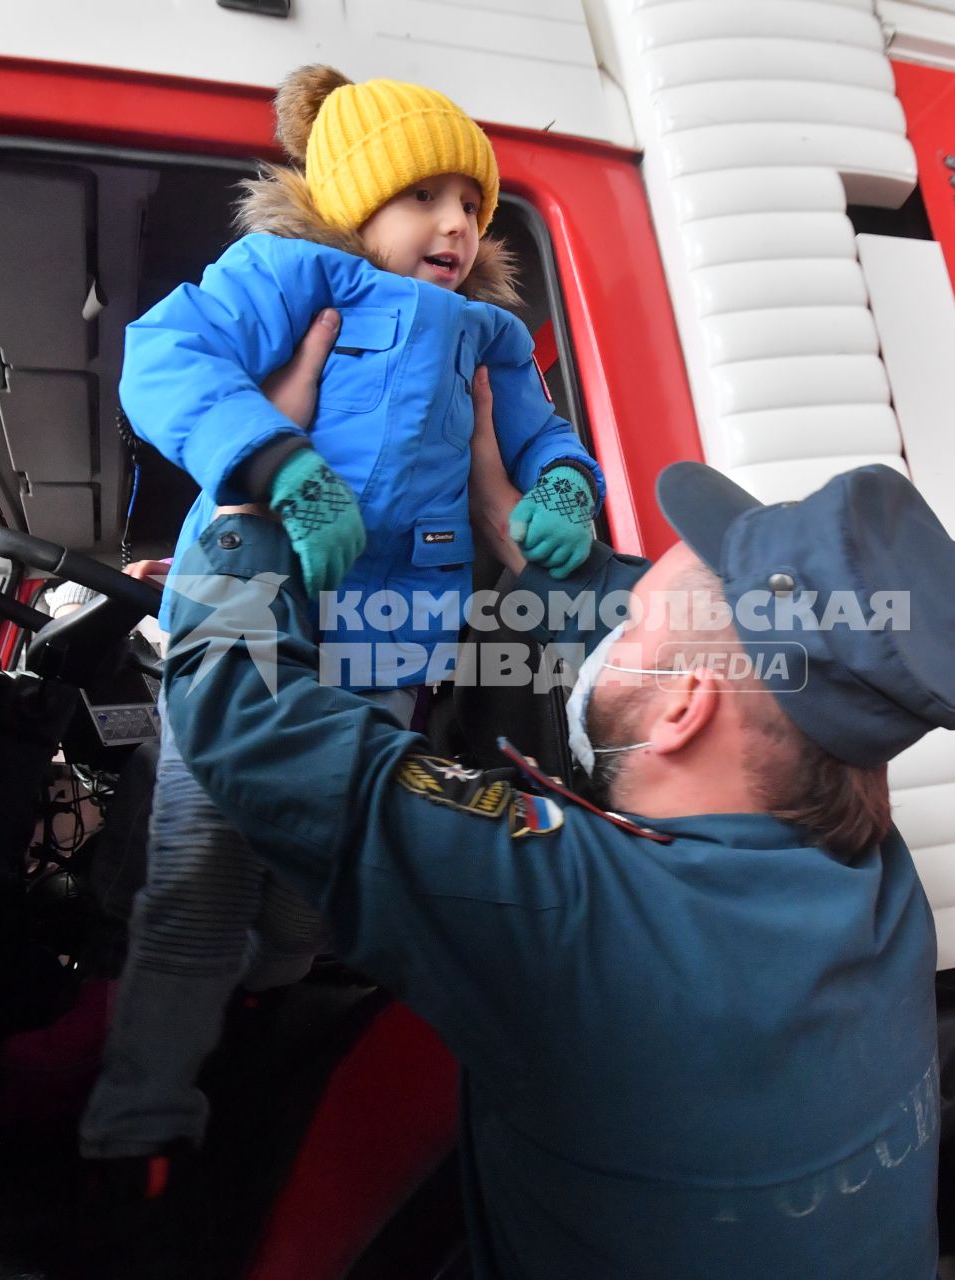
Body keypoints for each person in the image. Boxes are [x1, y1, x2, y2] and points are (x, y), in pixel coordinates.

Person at [155, 356, 955, 1277]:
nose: (613, 636)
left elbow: (248, 726)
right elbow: (664, 614)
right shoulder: (876, 877)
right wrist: (501, 509)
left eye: (632, 629)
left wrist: (245, 492)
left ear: (684, 710)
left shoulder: (563, 912)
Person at [79, 60, 608, 1227]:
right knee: (201, 861)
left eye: (471, 204)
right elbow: (167, 360)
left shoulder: (493, 335)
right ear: (353, 201)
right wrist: (281, 464)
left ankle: (258, 1009)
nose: (456, 225)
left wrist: (563, 487)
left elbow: (541, 437)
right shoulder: (290, 272)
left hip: (389, 632)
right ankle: (142, 1118)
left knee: (323, 876)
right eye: (423, 198)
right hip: (243, 593)